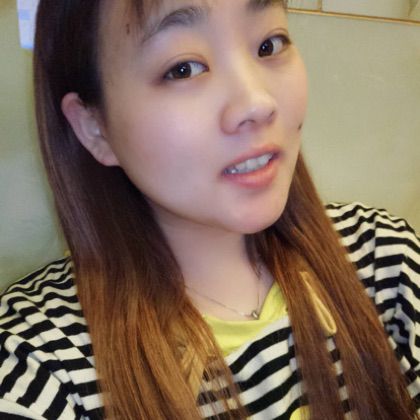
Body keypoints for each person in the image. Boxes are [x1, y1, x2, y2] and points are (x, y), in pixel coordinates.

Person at [0, 0, 419, 418]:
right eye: (183, 69)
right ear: (94, 127)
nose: (257, 103)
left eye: (269, 45)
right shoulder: (36, 363)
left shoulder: (386, 265)